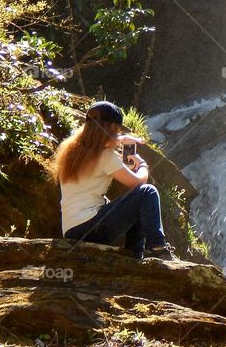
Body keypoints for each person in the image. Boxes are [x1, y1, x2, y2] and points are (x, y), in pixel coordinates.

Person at [51, 101, 175, 260]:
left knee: (134, 205)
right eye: (116, 130)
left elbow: (97, 141)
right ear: (110, 129)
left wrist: (121, 139)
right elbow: (137, 183)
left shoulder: (70, 151)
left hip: (72, 230)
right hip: (91, 227)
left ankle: (135, 255)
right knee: (147, 193)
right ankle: (157, 247)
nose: (117, 134)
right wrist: (142, 165)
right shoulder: (104, 156)